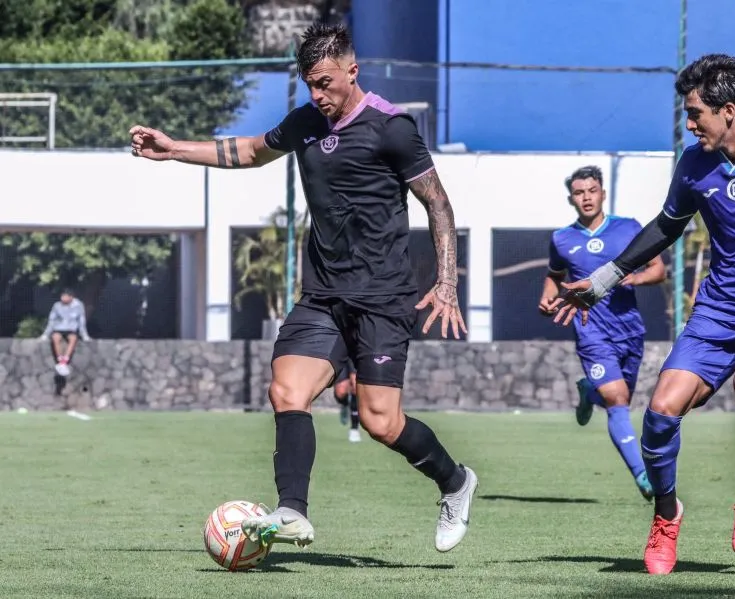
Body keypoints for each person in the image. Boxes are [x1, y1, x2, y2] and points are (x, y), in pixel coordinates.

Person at [129, 23, 477, 553]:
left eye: (325, 82)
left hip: (382, 299)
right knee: (286, 391)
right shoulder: (306, 122)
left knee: (381, 421)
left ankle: (455, 481)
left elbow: (439, 203)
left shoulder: (392, 128)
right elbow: (249, 152)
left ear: (351, 71)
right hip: (322, 295)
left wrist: (447, 281)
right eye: (310, 84)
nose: (319, 94)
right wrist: (175, 149)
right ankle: (292, 510)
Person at [549, 54, 735, 575]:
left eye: (695, 113)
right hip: (717, 309)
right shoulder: (694, 163)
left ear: (728, 110)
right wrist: (601, 282)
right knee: (660, 411)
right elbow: (665, 228)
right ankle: (666, 516)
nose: (688, 124)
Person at [539, 165, 665, 501]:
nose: (586, 197)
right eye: (579, 193)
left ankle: (587, 391)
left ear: (602, 193)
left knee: (619, 398)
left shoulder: (628, 229)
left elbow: (658, 270)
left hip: (630, 330)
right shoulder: (562, 238)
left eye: (592, 190)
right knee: (617, 401)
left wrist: (636, 279)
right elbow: (554, 274)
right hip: (590, 331)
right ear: (571, 199)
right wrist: (547, 296)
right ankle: (643, 475)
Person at [39, 289, 91, 377]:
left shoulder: (78, 305)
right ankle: (60, 360)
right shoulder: (57, 305)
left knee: (73, 339)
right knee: (56, 338)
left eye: (65, 297)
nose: (63, 299)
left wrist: (84, 335)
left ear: (71, 297)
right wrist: (46, 334)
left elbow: (81, 321)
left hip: (71, 329)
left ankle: (65, 361)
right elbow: (52, 320)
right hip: (59, 328)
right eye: (62, 297)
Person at [333, 361, 362, 443]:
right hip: (343, 353)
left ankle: (354, 429)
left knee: (355, 385)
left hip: (356, 354)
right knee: (341, 391)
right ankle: (344, 404)